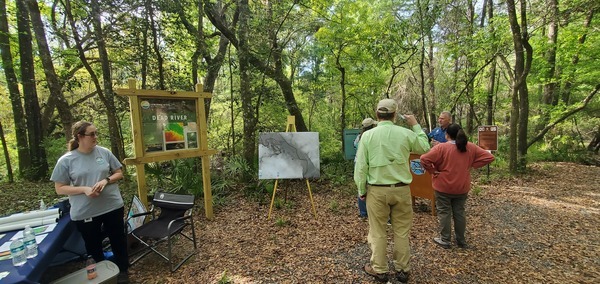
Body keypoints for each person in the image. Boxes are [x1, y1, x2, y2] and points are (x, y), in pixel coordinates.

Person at [354, 99, 430, 283]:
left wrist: (361, 189)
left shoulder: (368, 136)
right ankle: (402, 270)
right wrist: (415, 125)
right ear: (395, 115)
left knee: (378, 231)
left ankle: (380, 270)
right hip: (402, 190)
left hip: (377, 191)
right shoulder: (405, 133)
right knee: (402, 231)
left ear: (377, 114)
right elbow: (425, 148)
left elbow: (362, 167)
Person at [50, 121, 129, 283]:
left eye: (96, 133)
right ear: (80, 137)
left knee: (118, 240)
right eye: (92, 134)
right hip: (86, 212)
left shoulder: (104, 152)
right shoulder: (66, 160)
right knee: (94, 246)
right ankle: (103, 275)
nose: (95, 137)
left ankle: (122, 272)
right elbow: (60, 188)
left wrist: (106, 180)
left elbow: (118, 173)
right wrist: (84, 189)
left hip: (112, 206)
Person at [420, 123, 495, 249]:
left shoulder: (441, 148)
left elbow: (424, 159)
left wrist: (432, 171)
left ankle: (445, 239)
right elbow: (489, 157)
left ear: (447, 134)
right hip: (462, 186)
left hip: (443, 185)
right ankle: (461, 240)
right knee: (459, 212)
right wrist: (473, 164)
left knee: (444, 212)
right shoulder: (470, 147)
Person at [354, 117, 377, 220]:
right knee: (375, 187)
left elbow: (355, 146)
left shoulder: (359, 137)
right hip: (372, 163)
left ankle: (363, 213)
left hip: (359, 163)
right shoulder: (374, 136)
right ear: (373, 125)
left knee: (361, 186)